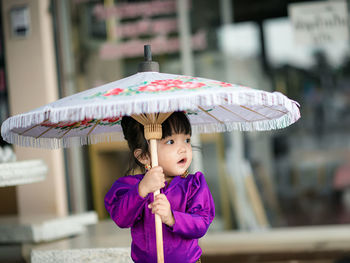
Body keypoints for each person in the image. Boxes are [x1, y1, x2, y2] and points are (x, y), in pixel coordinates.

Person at [105, 111, 215, 263]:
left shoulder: (194, 185)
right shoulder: (130, 186)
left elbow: (202, 223)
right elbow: (121, 218)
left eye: (187, 140)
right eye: (171, 142)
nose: (184, 148)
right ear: (144, 156)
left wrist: (172, 218)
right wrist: (142, 190)